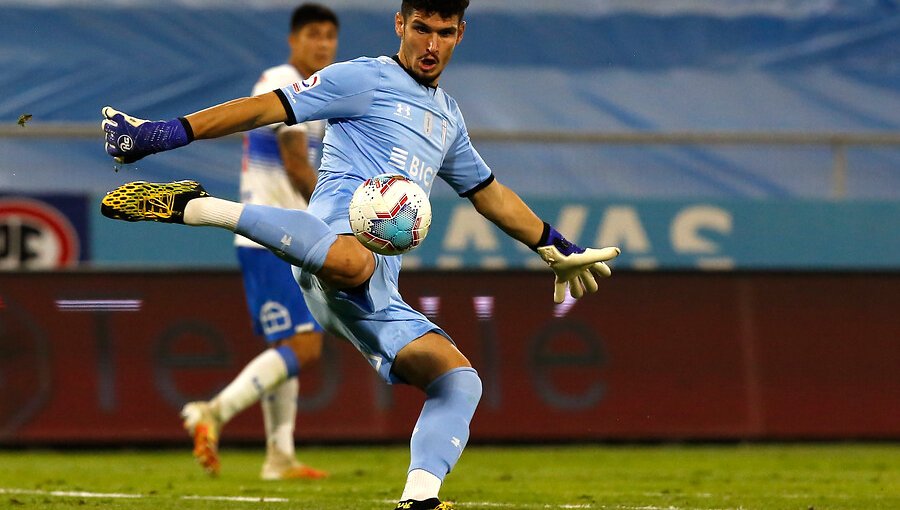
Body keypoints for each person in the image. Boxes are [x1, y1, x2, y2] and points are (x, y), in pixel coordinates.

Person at [99, 1, 620, 508]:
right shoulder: (361, 78)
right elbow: (266, 108)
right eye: (420, 28)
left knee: (459, 380)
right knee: (356, 260)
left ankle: (419, 499)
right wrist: (162, 133)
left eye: (444, 32)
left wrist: (555, 244)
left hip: (373, 291)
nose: (430, 43)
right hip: (329, 248)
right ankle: (197, 206)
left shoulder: (448, 119)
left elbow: (489, 193)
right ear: (400, 24)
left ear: (460, 33)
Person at [178, 3, 338, 480]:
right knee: (306, 348)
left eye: (331, 35)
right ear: (294, 40)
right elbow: (295, 166)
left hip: (285, 236)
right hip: (272, 237)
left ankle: (279, 455)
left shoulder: (319, 93)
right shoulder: (285, 82)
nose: (324, 44)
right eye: (314, 34)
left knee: (291, 344)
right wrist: (340, 222)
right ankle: (214, 412)